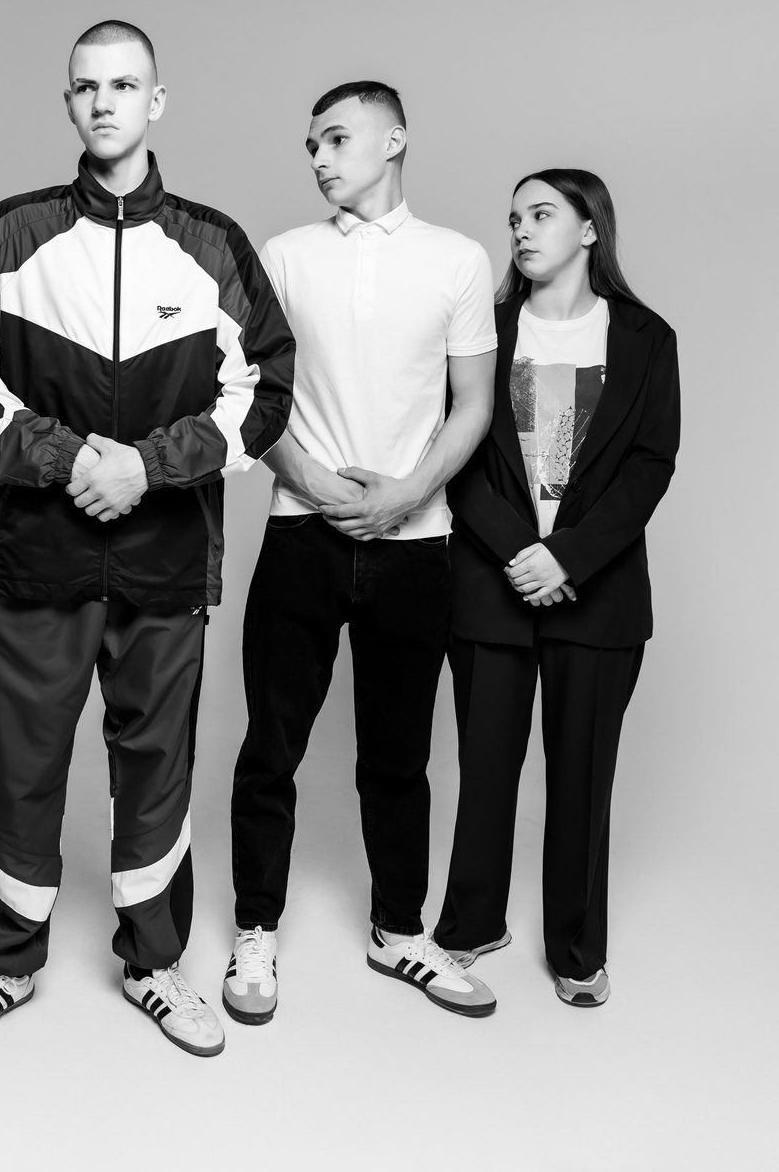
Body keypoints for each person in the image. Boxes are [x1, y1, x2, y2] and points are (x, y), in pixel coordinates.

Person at [0, 20, 296, 1058]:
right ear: (68, 104)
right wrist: (65, 457)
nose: (104, 102)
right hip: (37, 555)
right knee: (22, 763)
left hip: (165, 559)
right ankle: (5, 964)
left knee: (157, 767)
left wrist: (149, 465)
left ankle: (155, 964)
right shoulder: (15, 231)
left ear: (156, 101)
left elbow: (266, 389)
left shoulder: (214, 243)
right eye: (87, 86)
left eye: (124, 85)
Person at [224, 82, 500, 1026]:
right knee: (271, 749)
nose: (318, 158)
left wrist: (406, 493)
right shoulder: (284, 255)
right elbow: (249, 395)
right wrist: (310, 480)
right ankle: (254, 930)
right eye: (311, 144)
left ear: (395, 139)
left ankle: (399, 931)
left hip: (417, 545)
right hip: (300, 535)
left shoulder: (458, 260)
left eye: (337, 139)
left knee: (399, 757)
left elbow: (474, 404)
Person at [434, 169, 680, 1007]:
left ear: (589, 229)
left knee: (582, 779)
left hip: (599, 596)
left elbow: (651, 464)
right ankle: (470, 923)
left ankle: (577, 948)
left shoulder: (646, 338)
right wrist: (520, 552)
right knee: (485, 768)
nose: (522, 231)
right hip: (492, 584)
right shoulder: (485, 328)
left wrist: (568, 557)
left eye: (542, 215)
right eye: (514, 218)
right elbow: (455, 451)